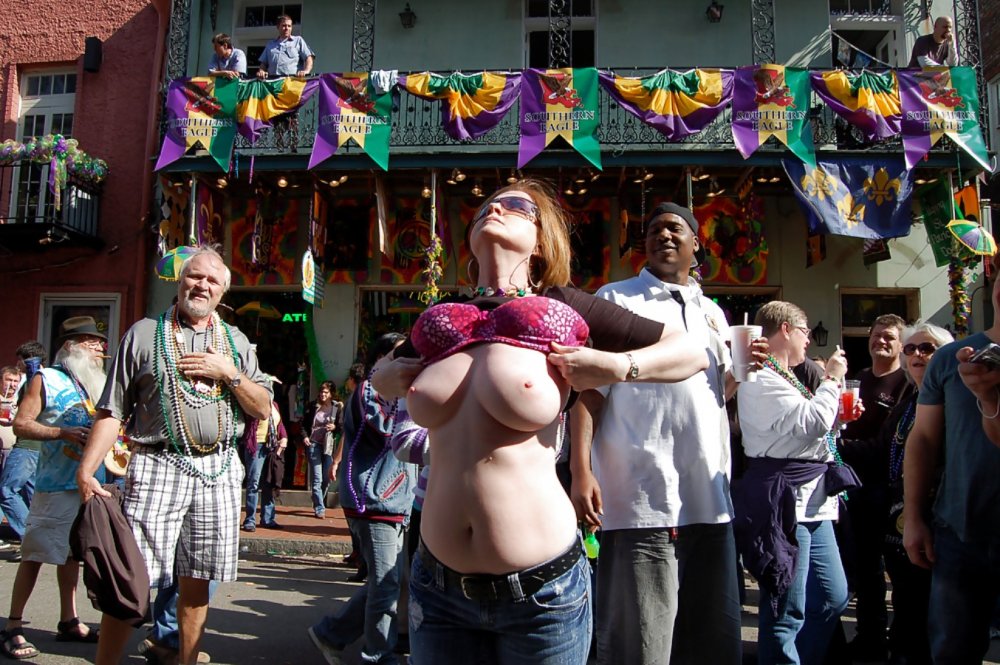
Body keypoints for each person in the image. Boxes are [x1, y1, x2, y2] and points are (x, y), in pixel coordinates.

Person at [372, 179, 708, 665]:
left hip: (542, 593)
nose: (496, 209)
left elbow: (690, 351)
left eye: (516, 207)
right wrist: (383, 377)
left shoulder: (561, 308)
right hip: (436, 587)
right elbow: (381, 378)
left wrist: (616, 366)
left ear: (542, 239)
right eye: (488, 205)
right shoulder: (445, 321)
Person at [572, 202, 757, 665]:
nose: (664, 236)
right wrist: (580, 471)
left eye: (676, 228)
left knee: (711, 641)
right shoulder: (615, 299)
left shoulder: (713, 312)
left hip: (709, 501)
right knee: (641, 646)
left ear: (697, 243)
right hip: (640, 498)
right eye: (654, 230)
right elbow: (589, 394)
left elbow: (712, 394)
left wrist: (739, 373)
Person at [75, 246, 272, 665]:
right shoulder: (144, 333)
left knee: (198, 581)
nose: (201, 285)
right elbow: (113, 410)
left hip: (218, 469)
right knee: (132, 578)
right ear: (180, 281)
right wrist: (87, 468)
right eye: (194, 277)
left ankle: (185, 660)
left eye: (212, 281)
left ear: (223, 292)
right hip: (156, 464)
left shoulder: (236, 344)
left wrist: (228, 373)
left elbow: (261, 407)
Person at [735, 301, 858, 665]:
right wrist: (833, 379)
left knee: (834, 596)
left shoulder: (786, 375)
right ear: (786, 329)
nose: (808, 342)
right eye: (805, 332)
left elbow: (812, 429)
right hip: (784, 500)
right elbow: (810, 423)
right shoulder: (759, 377)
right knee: (787, 608)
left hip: (815, 501)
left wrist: (839, 419)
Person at [903, 252, 1000, 664]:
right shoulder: (953, 358)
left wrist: (990, 400)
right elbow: (922, 439)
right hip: (959, 534)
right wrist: (913, 516)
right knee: (952, 654)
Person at [2, 317, 109, 660]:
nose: (99, 349)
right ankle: (13, 627)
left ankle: (69, 620)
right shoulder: (45, 378)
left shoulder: (95, 384)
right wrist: (62, 433)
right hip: (52, 484)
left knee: (71, 557)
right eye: (91, 343)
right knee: (35, 554)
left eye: (99, 343)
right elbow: (22, 425)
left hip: (87, 483)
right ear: (71, 347)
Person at [309, 333, 419, 665]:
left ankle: (331, 633)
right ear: (381, 358)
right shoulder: (370, 390)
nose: (409, 361)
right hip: (374, 500)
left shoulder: (393, 393)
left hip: (395, 500)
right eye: (401, 354)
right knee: (386, 585)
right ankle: (379, 657)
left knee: (388, 581)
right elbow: (388, 432)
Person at [875, 323, 952, 665]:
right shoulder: (909, 401)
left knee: (932, 614)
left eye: (928, 348)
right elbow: (883, 452)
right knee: (907, 602)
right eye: (911, 349)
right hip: (899, 520)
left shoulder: (954, 400)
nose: (918, 355)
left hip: (937, 519)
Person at [839, 313, 909, 661]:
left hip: (888, 490)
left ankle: (898, 642)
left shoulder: (906, 384)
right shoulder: (857, 380)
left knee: (898, 571)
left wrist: (838, 447)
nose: (882, 341)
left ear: (900, 345)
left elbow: (884, 447)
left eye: (890, 337)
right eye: (877, 335)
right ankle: (870, 638)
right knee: (865, 570)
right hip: (855, 489)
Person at [0, 341, 48, 547]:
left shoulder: (34, 380)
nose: (17, 365)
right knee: (33, 496)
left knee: (6, 490)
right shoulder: (45, 380)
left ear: (27, 360)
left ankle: (30, 537)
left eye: (20, 360)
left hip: (27, 445)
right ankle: (40, 539)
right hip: (38, 447)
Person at [241, 399, 288, 530]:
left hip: (271, 446)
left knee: (269, 482)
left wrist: (284, 437)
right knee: (254, 482)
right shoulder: (253, 402)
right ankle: (250, 520)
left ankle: (268, 519)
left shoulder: (275, 404)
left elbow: (279, 424)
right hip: (257, 445)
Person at [301, 380, 343, 519]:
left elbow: (342, 427)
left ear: (331, 394)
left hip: (329, 446)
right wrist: (305, 436)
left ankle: (319, 501)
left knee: (327, 478)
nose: (323, 394)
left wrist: (335, 427)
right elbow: (303, 423)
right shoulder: (313, 406)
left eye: (326, 392)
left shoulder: (336, 408)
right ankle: (319, 507)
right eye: (321, 392)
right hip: (314, 444)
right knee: (317, 478)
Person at [257, 14, 314, 79]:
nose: (287, 28)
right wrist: (261, 71)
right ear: (278, 27)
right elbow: (263, 63)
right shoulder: (270, 44)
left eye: (289, 26)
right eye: (284, 25)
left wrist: (306, 71)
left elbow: (309, 58)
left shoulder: (298, 41)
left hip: (292, 83)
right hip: (273, 83)